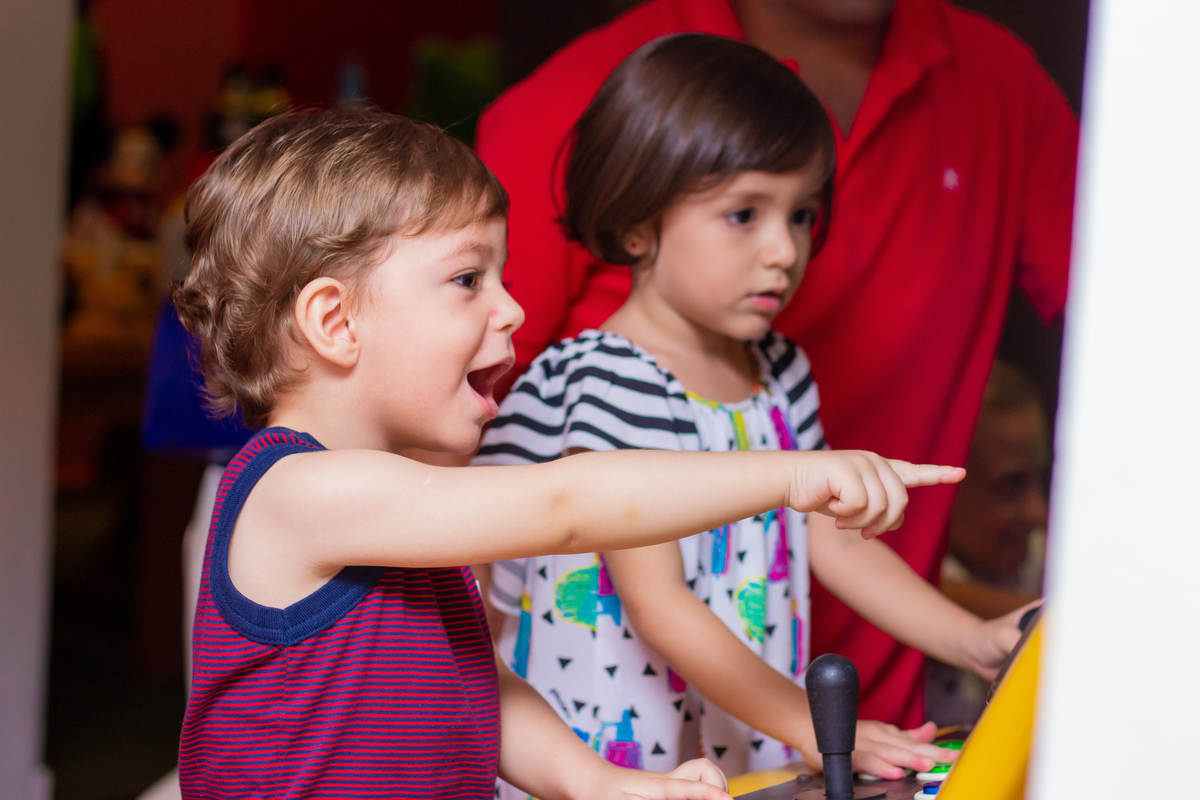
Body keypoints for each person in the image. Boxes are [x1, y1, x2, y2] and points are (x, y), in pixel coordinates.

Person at [170, 105, 964, 797]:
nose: (512, 308)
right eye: (467, 280)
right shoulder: (300, 493)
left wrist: (599, 783)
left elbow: (478, 691)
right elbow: (567, 503)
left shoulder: (415, 515)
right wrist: (795, 474)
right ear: (336, 323)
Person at [473, 0, 1077, 729]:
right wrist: (818, 729)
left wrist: (972, 639)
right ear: (637, 225)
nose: (784, 251)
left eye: (800, 215)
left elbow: (834, 541)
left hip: (739, 749)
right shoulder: (607, 379)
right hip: (615, 761)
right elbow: (658, 603)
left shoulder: (781, 369)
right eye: (743, 215)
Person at [926, 360, 1049, 727]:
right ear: (946, 489)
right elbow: (937, 591)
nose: (1038, 511)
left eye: (1037, 481)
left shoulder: (1035, 557)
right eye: (1011, 484)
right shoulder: (932, 579)